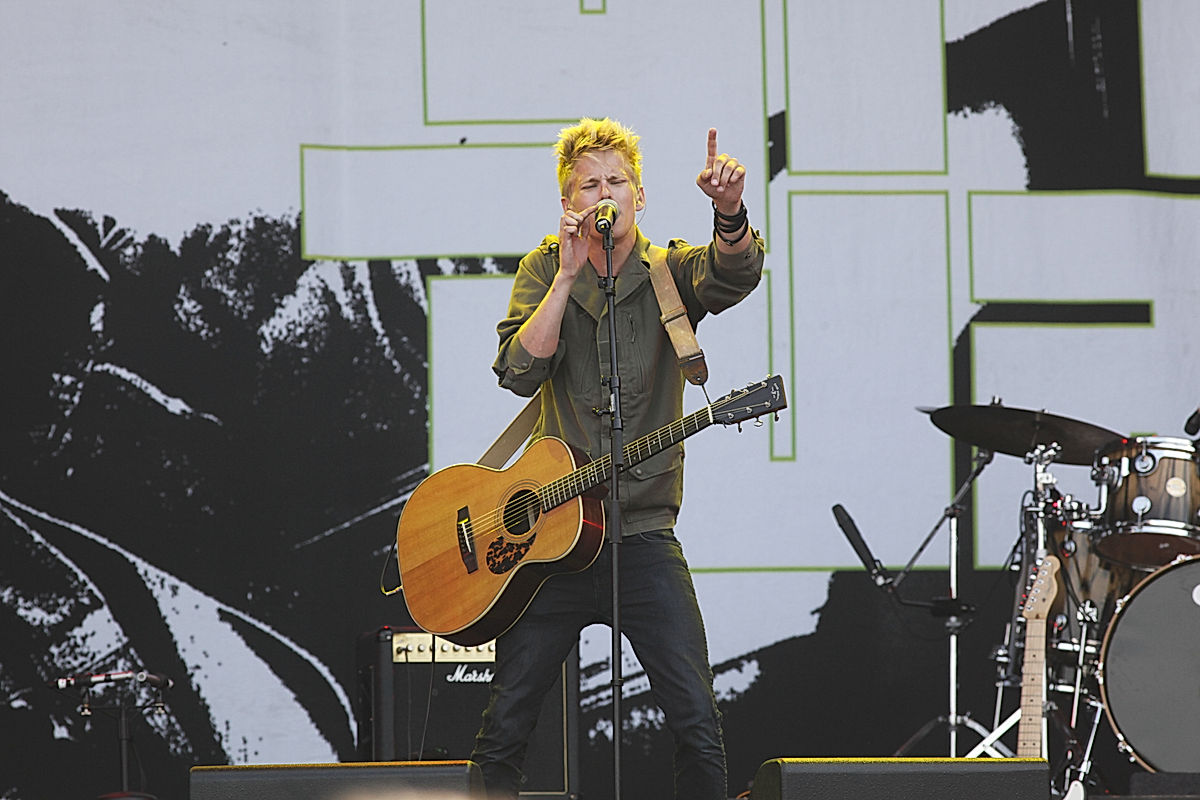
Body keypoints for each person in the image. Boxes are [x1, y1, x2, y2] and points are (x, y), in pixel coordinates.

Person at [470, 117, 765, 800]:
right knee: (505, 724)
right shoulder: (545, 267)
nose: (605, 193)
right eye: (588, 185)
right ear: (569, 204)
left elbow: (733, 275)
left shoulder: (668, 272)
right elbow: (518, 370)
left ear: (639, 194)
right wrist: (569, 277)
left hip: (641, 536)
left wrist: (729, 211)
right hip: (552, 539)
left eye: (616, 181)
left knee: (696, 719)